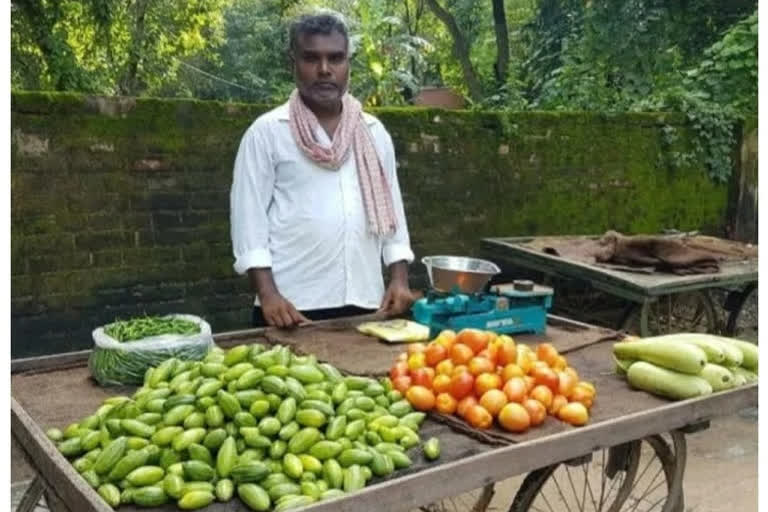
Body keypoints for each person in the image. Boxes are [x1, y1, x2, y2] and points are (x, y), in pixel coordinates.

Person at [230, 11, 415, 329]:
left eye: (336, 58)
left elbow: (393, 214)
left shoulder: (373, 132)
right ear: (294, 63)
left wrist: (399, 279)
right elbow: (248, 222)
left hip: (366, 304)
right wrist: (269, 294)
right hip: (290, 309)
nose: (325, 70)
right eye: (311, 58)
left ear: (348, 64)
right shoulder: (268, 132)